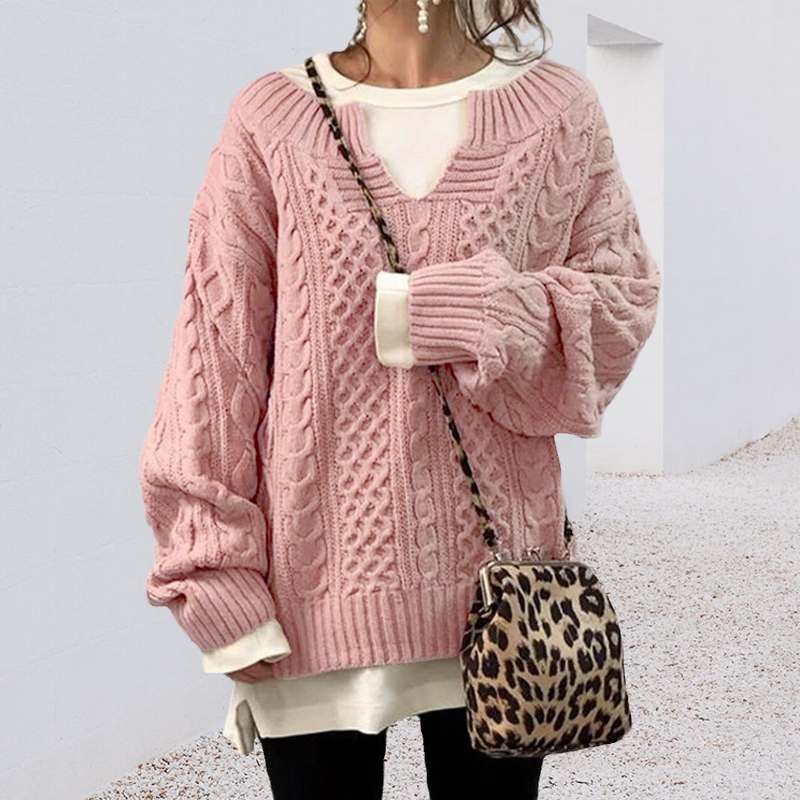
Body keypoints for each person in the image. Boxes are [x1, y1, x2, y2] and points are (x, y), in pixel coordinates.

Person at [138, 1, 661, 798]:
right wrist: (209, 569)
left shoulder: (559, 111)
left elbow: (621, 309)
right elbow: (213, 361)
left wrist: (473, 311)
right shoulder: (271, 119)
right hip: (310, 602)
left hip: (503, 599)